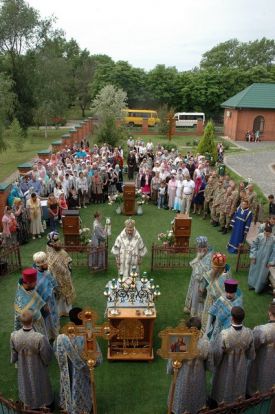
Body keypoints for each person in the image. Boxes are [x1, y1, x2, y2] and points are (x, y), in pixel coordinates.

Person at [54, 307, 103, 414]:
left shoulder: (61, 338)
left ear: (70, 321)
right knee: (82, 390)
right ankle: (83, 409)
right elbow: (98, 360)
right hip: (83, 373)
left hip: (67, 372)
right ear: (82, 319)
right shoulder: (88, 337)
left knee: (70, 386)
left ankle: (68, 406)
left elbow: (57, 354)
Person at [10, 310, 54, 410]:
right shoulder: (39, 338)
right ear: (33, 320)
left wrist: (15, 359)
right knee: (40, 382)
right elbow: (47, 355)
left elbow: (13, 354)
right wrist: (46, 363)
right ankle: (44, 403)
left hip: (23, 366)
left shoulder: (14, 336)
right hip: (37, 366)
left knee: (25, 382)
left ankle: (27, 402)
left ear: (21, 322)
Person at [211, 307, 255, 405]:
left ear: (232, 318)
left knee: (224, 382)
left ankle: (221, 403)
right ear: (243, 319)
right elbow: (251, 354)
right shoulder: (249, 332)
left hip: (226, 365)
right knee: (238, 382)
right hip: (241, 364)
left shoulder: (224, 334)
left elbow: (217, 354)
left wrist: (216, 364)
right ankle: (237, 401)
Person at [166, 317, 210, 414]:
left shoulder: (179, 342)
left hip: (183, 376)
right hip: (198, 375)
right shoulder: (205, 343)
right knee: (196, 395)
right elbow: (209, 363)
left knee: (181, 395)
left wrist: (170, 370)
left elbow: (171, 364)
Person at [247, 301, 275, 396]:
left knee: (259, 379)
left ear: (269, 313)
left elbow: (252, 345)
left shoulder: (262, 330)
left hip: (263, 360)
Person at [46, 231, 75, 316]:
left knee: (60, 293)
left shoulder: (50, 255)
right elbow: (69, 264)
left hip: (56, 278)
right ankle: (66, 310)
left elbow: (49, 268)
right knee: (62, 293)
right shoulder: (63, 253)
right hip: (63, 277)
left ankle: (60, 310)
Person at [33, 251, 59, 340]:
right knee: (47, 318)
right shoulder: (35, 276)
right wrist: (44, 304)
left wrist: (55, 290)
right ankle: (50, 335)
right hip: (43, 303)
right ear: (40, 265)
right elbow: (36, 292)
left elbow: (52, 281)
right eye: (46, 262)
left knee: (54, 315)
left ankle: (54, 331)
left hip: (51, 299)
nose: (48, 264)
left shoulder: (46, 272)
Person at [184, 236, 212, 318]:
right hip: (196, 280)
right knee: (193, 294)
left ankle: (197, 314)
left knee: (198, 298)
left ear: (203, 247)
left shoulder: (208, 257)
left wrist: (198, 259)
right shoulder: (202, 254)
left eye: (198, 247)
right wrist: (198, 258)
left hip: (201, 283)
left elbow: (201, 273)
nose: (197, 248)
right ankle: (190, 308)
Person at [14, 268, 47, 336]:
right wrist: (37, 315)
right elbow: (24, 317)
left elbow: (34, 294)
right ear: (28, 283)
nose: (36, 283)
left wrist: (44, 304)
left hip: (38, 320)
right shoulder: (22, 300)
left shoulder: (27, 287)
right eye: (35, 282)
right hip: (32, 325)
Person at [201, 252, 229, 331]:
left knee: (211, 323)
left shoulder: (223, 279)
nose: (212, 269)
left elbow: (219, 295)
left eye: (213, 268)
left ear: (219, 269)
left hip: (216, 305)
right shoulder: (217, 273)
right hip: (210, 301)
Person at [248, 224, 275, 293]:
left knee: (262, 275)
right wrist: (253, 257)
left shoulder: (273, 239)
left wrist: (270, 262)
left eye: (268, 234)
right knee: (254, 271)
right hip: (257, 257)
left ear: (271, 233)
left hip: (266, 260)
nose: (266, 235)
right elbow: (254, 246)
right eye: (265, 233)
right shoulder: (260, 236)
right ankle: (251, 285)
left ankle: (258, 288)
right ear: (264, 232)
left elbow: (274, 252)